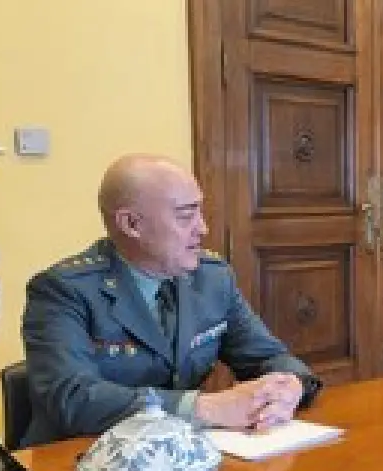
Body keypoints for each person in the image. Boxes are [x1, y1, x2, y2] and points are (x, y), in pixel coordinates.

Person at [20, 154, 321, 447]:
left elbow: (267, 356)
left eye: (200, 212)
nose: (202, 228)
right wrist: (204, 407)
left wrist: (291, 385)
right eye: (186, 215)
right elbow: (72, 398)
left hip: (181, 458)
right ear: (132, 224)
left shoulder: (212, 278)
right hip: (79, 460)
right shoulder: (64, 290)